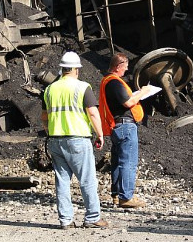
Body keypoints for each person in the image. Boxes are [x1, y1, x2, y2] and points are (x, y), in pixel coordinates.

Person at [41, 51, 109, 229]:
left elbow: (44, 118)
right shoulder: (82, 87)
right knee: (87, 179)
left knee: (62, 182)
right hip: (77, 139)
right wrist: (100, 134)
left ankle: (65, 220)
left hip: (55, 141)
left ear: (62, 69)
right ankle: (93, 217)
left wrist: (51, 132)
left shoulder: (49, 89)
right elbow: (93, 113)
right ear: (76, 69)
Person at [99, 52, 151, 209]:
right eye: (125, 68)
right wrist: (143, 92)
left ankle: (116, 195)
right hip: (125, 126)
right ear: (118, 66)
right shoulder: (114, 82)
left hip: (116, 126)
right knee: (128, 161)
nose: (126, 71)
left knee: (117, 162)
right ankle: (126, 197)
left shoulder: (106, 81)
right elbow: (128, 103)